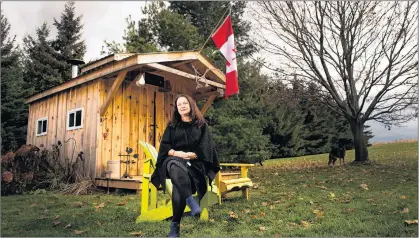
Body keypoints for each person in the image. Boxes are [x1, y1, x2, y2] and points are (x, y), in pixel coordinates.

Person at [150, 94, 220, 237]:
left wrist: (193, 155)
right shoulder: (172, 126)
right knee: (174, 164)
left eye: (185, 103)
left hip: (194, 163)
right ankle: (191, 201)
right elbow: (165, 148)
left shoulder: (201, 125)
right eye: (179, 104)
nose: (182, 106)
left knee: (178, 187)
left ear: (191, 105)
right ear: (176, 108)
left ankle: (174, 227)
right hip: (173, 160)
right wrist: (179, 153)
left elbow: (206, 147)